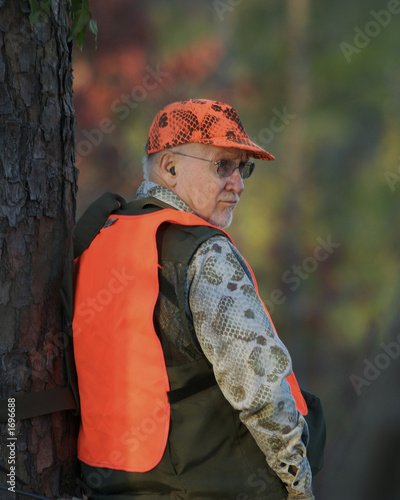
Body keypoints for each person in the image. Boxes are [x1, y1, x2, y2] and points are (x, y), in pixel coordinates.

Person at [73, 99, 318, 499]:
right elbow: (264, 394)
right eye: (223, 165)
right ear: (170, 168)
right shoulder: (206, 254)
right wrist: (298, 483)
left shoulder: (97, 238)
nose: (238, 184)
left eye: (243, 168)